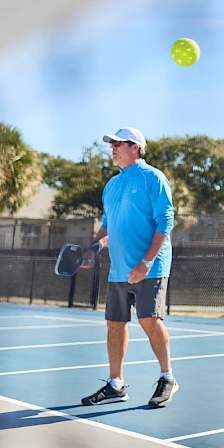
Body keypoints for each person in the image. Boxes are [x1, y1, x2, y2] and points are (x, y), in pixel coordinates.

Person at [80, 126, 179, 408]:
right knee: (115, 324)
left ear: (135, 147)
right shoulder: (111, 185)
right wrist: (94, 249)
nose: (112, 147)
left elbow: (166, 222)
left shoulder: (153, 178)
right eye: (111, 144)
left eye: (118, 143)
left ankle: (167, 378)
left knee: (149, 319)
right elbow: (107, 227)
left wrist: (146, 262)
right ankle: (116, 384)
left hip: (151, 266)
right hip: (119, 269)